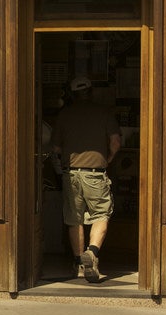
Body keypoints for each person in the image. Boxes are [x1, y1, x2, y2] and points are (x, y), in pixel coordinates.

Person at [52, 76, 122, 283]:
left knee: (74, 218)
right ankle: (92, 252)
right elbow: (116, 142)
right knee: (101, 213)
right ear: (91, 92)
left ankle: (79, 264)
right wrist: (107, 159)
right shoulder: (104, 113)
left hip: (71, 173)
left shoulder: (65, 115)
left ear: (72, 95)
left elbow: (55, 148)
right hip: (95, 174)